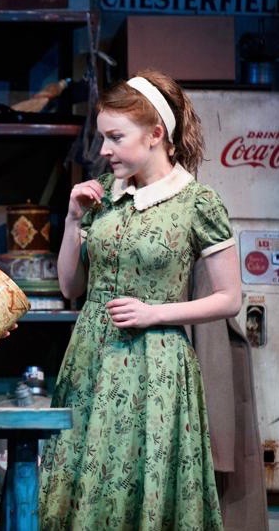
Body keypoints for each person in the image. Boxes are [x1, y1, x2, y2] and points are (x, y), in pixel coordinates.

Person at [39, 69, 241, 530]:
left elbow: (230, 298)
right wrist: (72, 221)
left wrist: (155, 313)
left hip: (156, 364)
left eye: (115, 137)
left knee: (142, 483)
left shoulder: (196, 202)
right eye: (103, 137)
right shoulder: (103, 196)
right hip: (91, 358)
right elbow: (70, 287)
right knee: (85, 484)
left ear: (155, 135)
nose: (104, 150)